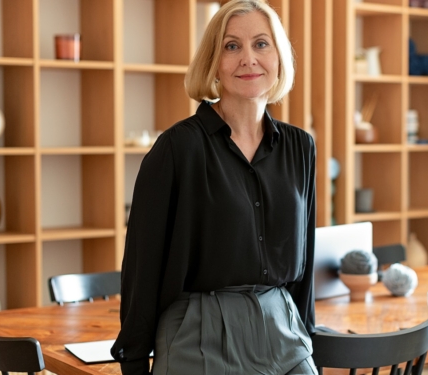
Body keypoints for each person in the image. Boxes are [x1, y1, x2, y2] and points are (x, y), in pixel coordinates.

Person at [110, 0, 317, 374]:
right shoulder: (177, 148)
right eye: (232, 46)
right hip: (198, 333)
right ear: (213, 63)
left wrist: (308, 337)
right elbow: (142, 267)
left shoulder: (300, 147)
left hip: (283, 330)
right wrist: (135, 360)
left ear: (279, 56)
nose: (248, 59)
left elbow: (306, 263)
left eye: (261, 43)